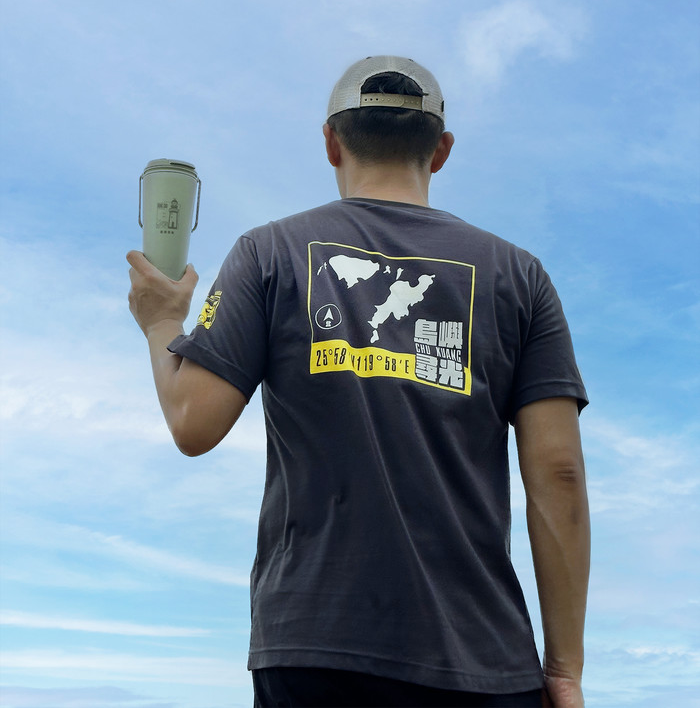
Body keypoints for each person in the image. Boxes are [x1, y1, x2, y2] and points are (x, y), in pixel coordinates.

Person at [127, 56, 590, 708]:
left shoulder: (267, 252)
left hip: (313, 647)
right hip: (481, 657)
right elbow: (559, 474)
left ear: (331, 142)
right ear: (441, 151)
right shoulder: (521, 275)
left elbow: (191, 423)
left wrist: (162, 322)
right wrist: (564, 668)